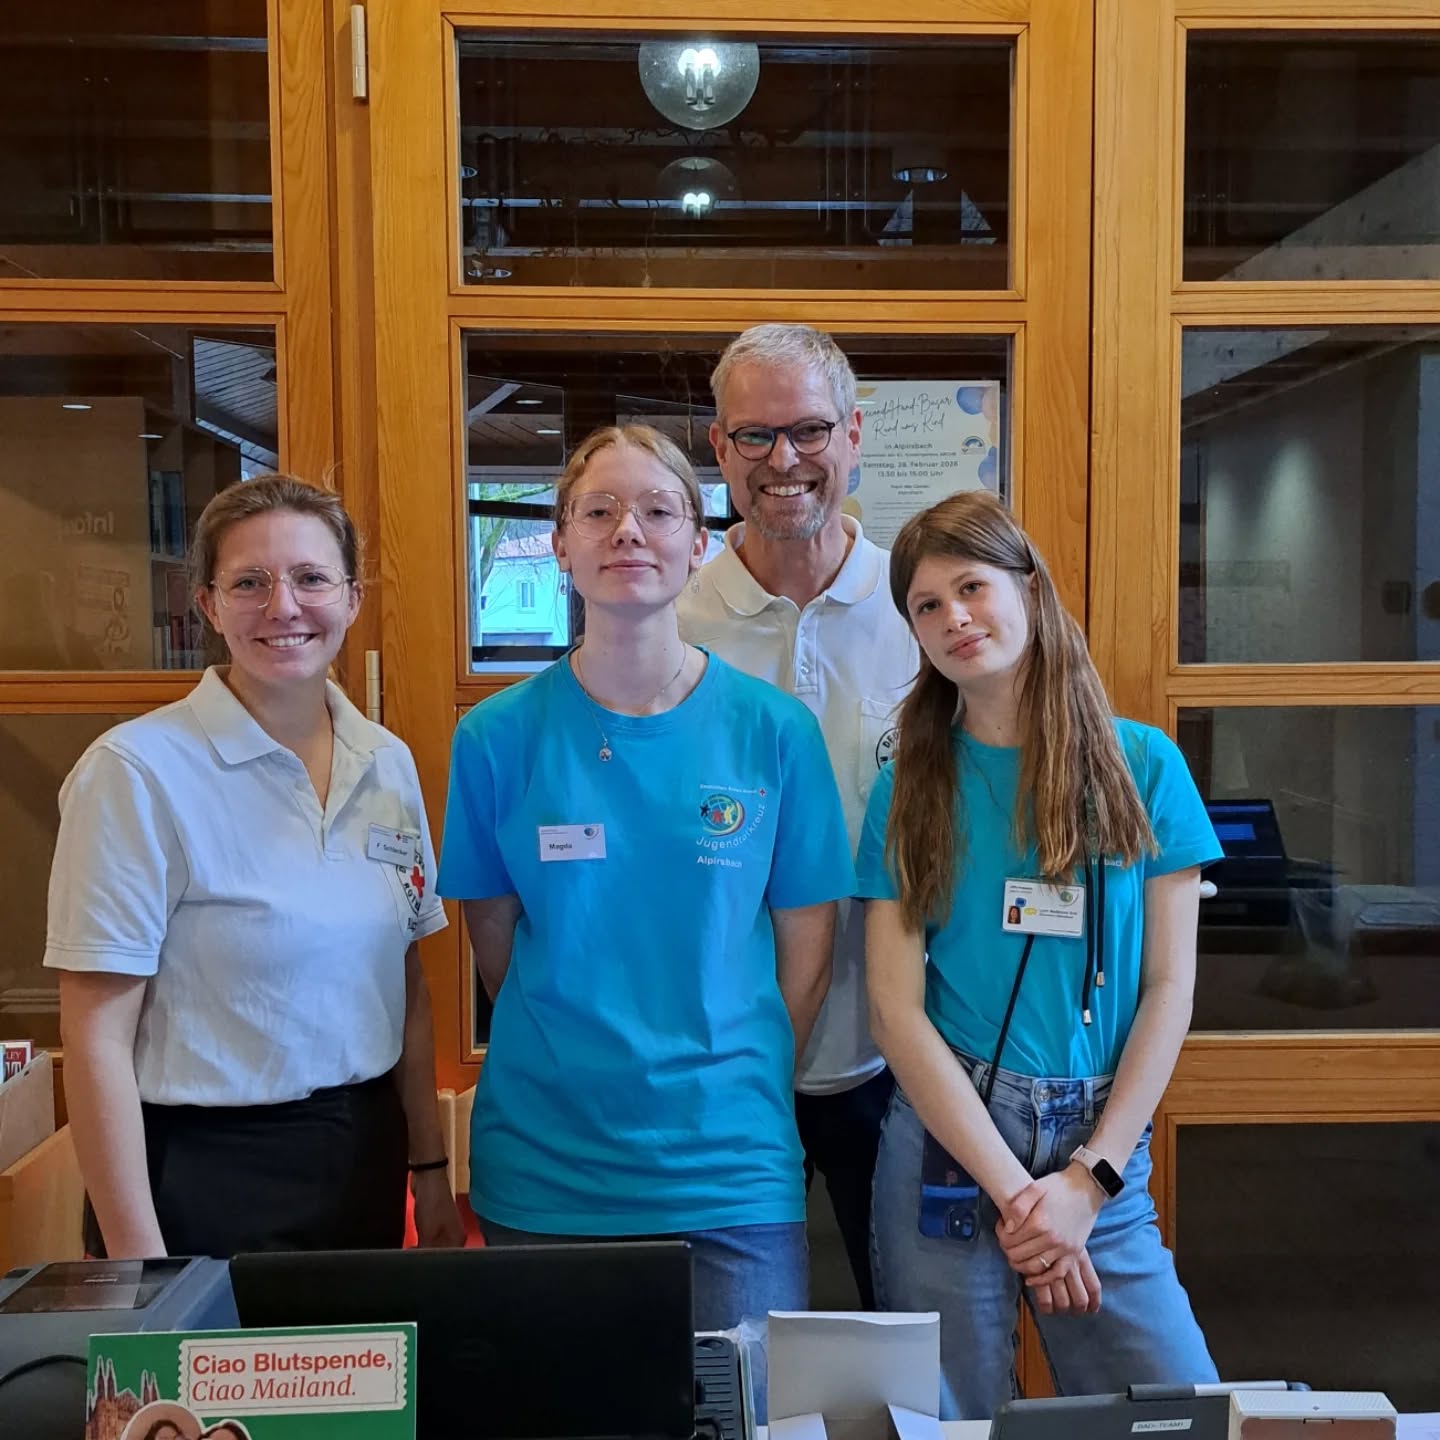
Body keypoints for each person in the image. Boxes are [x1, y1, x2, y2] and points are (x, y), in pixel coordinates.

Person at [439, 423, 855, 1330]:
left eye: (659, 511)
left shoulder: (775, 732)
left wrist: (720, 1079)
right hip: (546, 1170)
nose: (628, 530)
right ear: (560, 545)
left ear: (698, 545)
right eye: (598, 512)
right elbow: (494, 947)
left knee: (739, 1403)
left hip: (729, 1169)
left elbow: (808, 961)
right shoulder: (495, 739)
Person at [857, 491, 1222, 1417]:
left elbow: (1170, 988)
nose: (953, 618)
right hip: (951, 1141)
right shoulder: (908, 785)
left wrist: (1086, 1186)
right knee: (944, 1422)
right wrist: (1026, 1201)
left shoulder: (1144, 766)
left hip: (1100, 1145)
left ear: (1029, 588)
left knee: (1174, 1411)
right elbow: (894, 1012)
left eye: (971, 587)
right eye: (927, 606)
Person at [46, 475, 464, 1260]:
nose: (284, 607)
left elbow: (406, 982)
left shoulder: (385, 761)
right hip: (201, 1175)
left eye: (311, 578)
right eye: (249, 583)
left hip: (363, 1157)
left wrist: (430, 1169)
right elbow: (96, 1036)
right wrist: (142, 1269)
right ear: (207, 605)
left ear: (352, 598)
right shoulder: (136, 772)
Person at [677, 323, 917, 1308]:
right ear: (718, 444)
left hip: (898, 1053)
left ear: (853, 435)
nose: (784, 460)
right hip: (720, 1057)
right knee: (716, 1344)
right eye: (754, 435)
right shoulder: (671, 619)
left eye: (809, 430)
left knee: (909, 1333)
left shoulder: (923, 606)